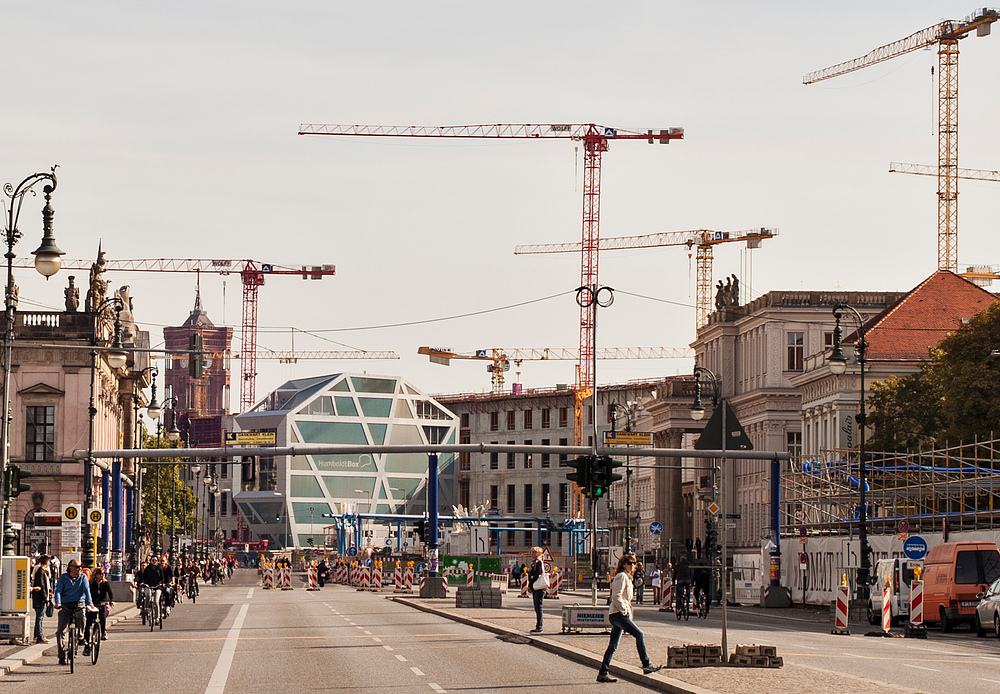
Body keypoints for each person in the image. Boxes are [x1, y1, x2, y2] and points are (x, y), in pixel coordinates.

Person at [597, 553, 662, 683]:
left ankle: (602, 673)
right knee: (639, 635)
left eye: (633, 563)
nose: (632, 565)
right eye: (629, 563)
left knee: (613, 645)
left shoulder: (627, 577)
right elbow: (616, 596)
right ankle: (646, 664)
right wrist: (624, 610)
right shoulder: (622, 576)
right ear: (623, 565)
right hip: (618, 614)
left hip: (616, 614)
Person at [53, 560, 94, 666]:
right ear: (70, 568)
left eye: (80, 566)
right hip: (65, 605)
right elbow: (58, 591)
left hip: (78, 604)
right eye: (77, 567)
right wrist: (57, 603)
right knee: (60, 632)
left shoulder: (83, 577)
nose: (80, 569)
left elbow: (86, 590)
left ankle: (80, 636)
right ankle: (61, 656)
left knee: (81, 615)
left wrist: (89, 603)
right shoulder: (63, 577)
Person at [87, 567, 115, 645]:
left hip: (103, 603)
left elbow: (110, 593)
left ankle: (103, 632)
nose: (103, 575)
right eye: (101, 573)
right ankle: (86, 638)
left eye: (103, 573)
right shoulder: (91, 584)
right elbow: (87, 593)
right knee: (89, 619)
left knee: (102, 614)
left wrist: (111, 601)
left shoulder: (105, 583)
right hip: (93, 604)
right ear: (95, 575)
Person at [31, 555, 52, 644]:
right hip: (40, 599)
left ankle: (37, 635)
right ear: (46, 562)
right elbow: (42, 586)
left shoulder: (42, 571)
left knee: (39, 617)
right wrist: (46, 599)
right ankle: (39, 635)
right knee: (40, 617)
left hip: (39, 598)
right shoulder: (41, 571)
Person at [526, 546, 545, 633]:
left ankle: (539, 626)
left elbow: (537, 575)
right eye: (532, 552)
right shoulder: (534, 562)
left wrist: (530, 585)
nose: (532, 554)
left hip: (539, 587)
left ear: (539, 553)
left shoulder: (538, 562)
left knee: (538, 607)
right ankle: (538, 625)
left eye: (535, 552)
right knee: (536, 607)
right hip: (536, 586)